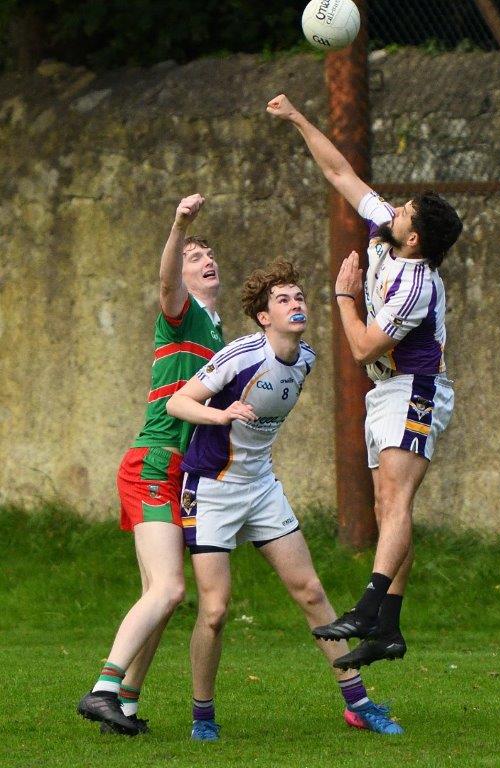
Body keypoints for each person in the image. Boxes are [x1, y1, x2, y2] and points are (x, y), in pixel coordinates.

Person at [165, 258, 403, 740]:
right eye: (283, 300)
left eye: (299, 297)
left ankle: (357, 703)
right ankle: (203, 717)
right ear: (263, 317)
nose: (296, 305)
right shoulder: (241, 354)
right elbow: (179, 402)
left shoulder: (307, 359)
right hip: (211, 487)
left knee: (312, 591)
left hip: (261, 487)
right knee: (215, 610)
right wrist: (223, 414)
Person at [266, 93, 463, 671]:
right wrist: (301, 118)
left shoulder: (416, 283)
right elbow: (338, 171)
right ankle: (390, 630)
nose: (394, 209)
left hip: (417, 390)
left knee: (397, 501)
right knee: (387, 505)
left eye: (404, 212)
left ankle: (369, 607)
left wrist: (344, 296)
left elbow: (363, 347)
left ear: (415, 239)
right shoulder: (388, 233)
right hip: (388, 391)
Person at [77, 194, 224, 736]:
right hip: (152, 464)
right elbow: (166, 285)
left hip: (173, 471)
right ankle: (103, 689)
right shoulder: (181, 317)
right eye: (194, 256)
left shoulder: (217, 332)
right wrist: (178, 228)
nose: (205, 260)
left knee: (158, 598)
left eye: (210, 256)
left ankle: (126, 706)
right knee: (169, 590)